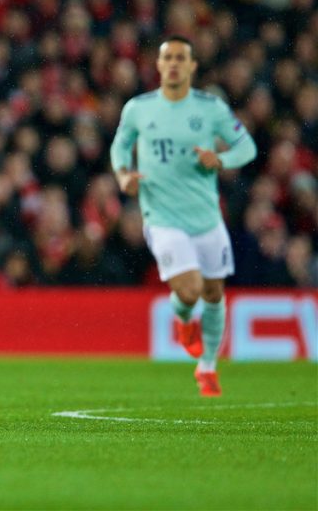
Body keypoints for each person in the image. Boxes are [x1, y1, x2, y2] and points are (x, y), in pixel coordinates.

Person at [110, 35, 257, 397]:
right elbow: (120, 145)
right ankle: (183, 317)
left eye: (181, 58)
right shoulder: (139, 108)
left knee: (213, 292)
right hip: (161, 215)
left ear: (192, 66)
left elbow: (247, 146)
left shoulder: (211, 109)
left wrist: (220, 159)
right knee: (190, 288)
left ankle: (207, 367)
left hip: (206, 217)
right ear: (158, 66)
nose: (174, 63)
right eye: (167, 58)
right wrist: (124, 175)